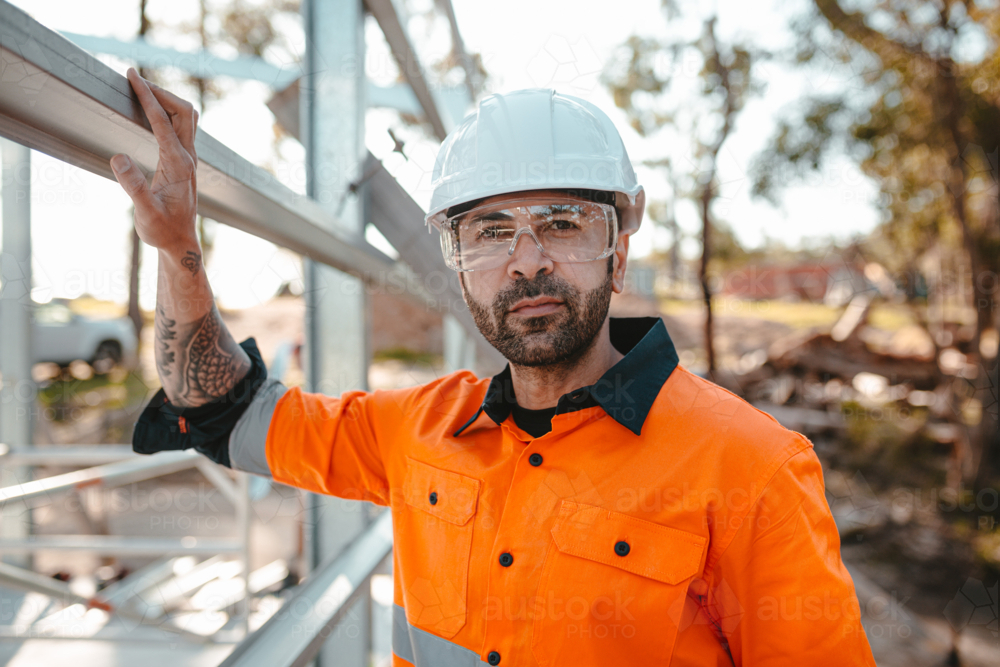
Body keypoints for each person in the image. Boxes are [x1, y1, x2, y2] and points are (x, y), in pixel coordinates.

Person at [113, 67, 878, 666]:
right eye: (489, 232)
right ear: (458, 260)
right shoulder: (417, 430)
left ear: (620, 245)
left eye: (562, 223)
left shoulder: (752, 468)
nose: (527, 263)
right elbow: (222, 409)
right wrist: (178, 244)